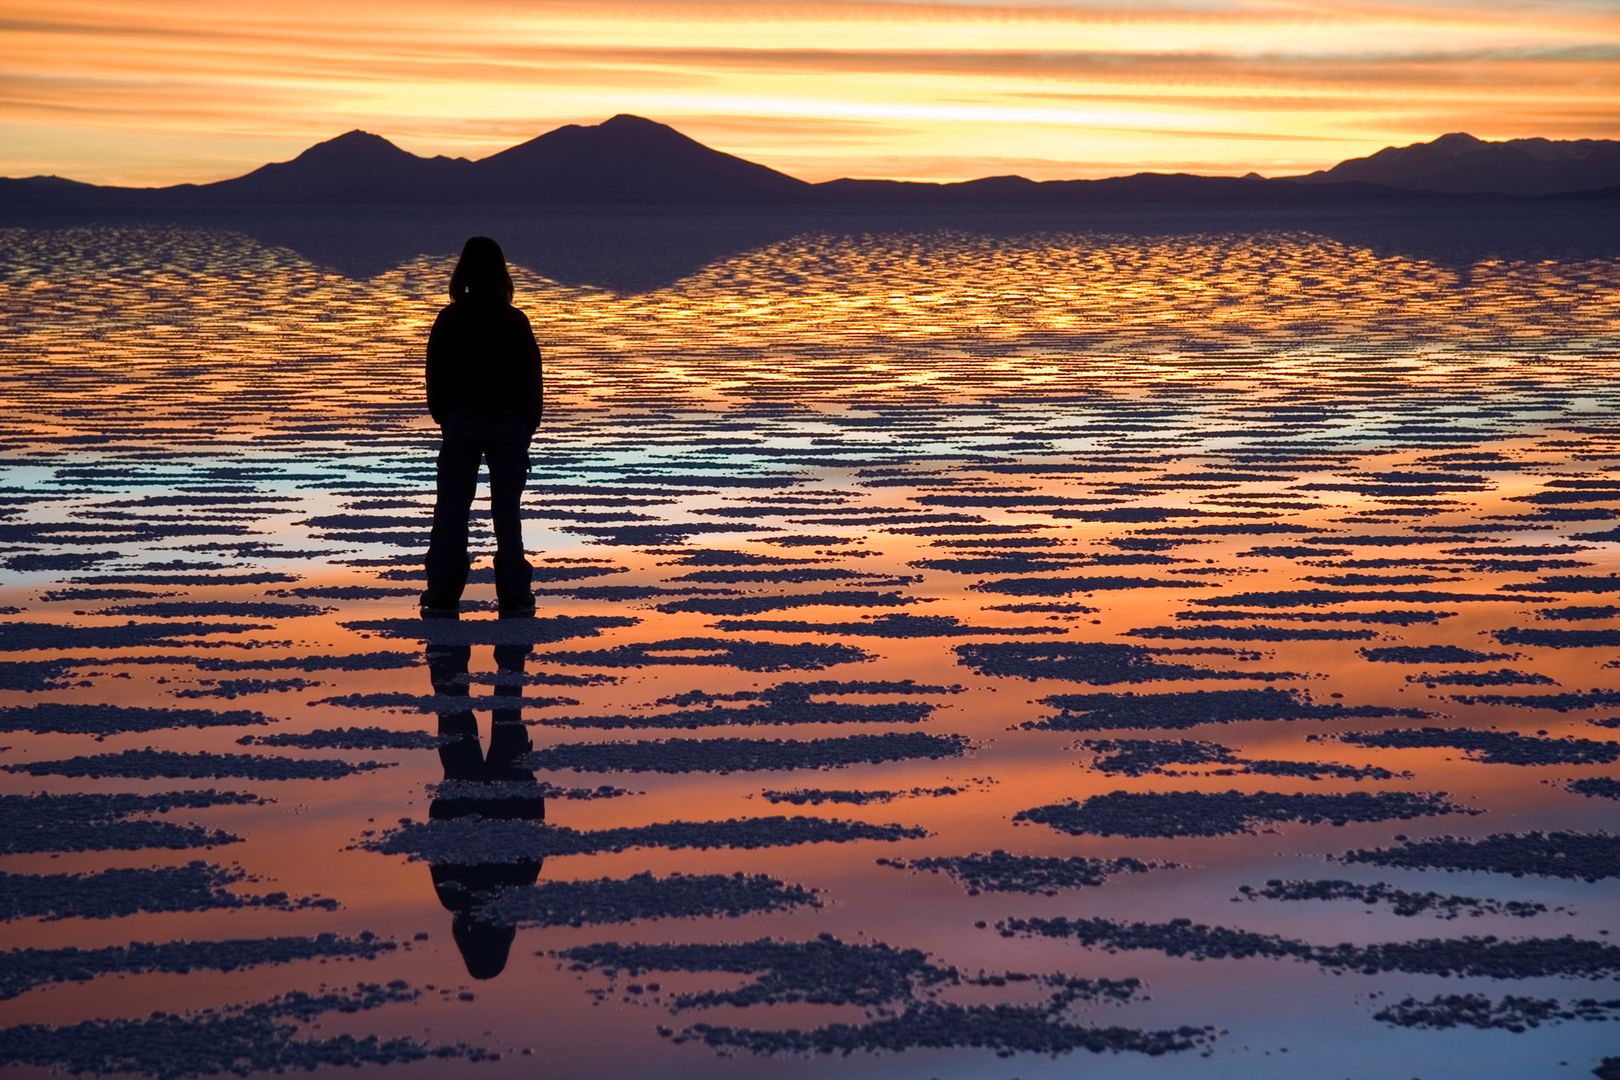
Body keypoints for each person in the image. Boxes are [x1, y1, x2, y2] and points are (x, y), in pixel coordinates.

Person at [421, 236, 543, 617]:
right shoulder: (513, 320)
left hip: (463, 422)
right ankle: (515, 596)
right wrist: (527, 426)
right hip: (507, 424)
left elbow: (435, 376)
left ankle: (442, 594)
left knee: (452, 513)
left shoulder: (451, 318)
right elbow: (531, 379)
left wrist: (445, 417)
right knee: (507, 514)